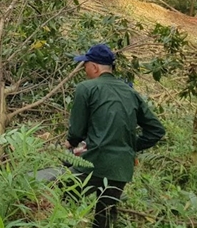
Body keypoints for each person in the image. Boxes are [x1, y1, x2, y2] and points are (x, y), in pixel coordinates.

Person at [66, 43, 166, 228]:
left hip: (93, 162)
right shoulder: (130, 92)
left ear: (94, 66)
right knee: (104, 218)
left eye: (85, 64)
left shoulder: (86, 88)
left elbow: (76, 133)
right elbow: (156, 130)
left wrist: (70, 145)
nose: (84, 69)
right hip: (121, 168)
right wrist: (128, 146)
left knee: (60, 194)